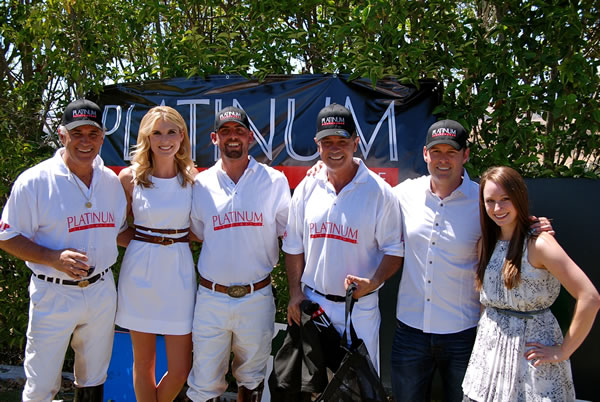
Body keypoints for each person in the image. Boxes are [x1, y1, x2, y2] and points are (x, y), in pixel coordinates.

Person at [391, 120, 554, 402]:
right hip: (410, 333)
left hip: (464, 335)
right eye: (436, 151)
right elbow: (365, 192)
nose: (443, 159)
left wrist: (536, 226)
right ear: (425, 154)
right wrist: (321, 170)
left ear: (465, 155)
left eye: (451, 152)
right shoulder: (403, 194)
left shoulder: (484, 200)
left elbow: (513, 225)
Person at [0, 99, 127, 401]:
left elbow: (119, 232)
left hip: (100, 290)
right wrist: (52, 258)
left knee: (94, 379)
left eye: (93, 134)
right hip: (53, 293)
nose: (85, 141)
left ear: (102, 136)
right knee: (42, 384)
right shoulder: (35, 181)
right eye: (77, 133)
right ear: (62, 135)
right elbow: (6, 237)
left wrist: (167, 241)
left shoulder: (110, 181)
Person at [461, 166, 600, 401]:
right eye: (490, 200)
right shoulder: (485, 244)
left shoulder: (540, 244)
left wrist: (563, 351)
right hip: (488, 360)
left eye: (505, 199)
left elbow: (590, 297)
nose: (498, 208)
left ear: (519, 197)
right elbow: (487, 303)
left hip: (532, 358)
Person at [284, 103, 404, 372]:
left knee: (359, 388)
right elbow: (293, 245)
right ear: (318, 146)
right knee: (314, 388)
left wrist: (372, 282)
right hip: (314, 305)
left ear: (355, 142)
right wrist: (294, 293)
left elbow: (394, 250)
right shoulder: (306, 188)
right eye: (328, 142)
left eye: (342, 141)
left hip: (358, 309)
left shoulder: (380, 192)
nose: (335, 149)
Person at [187, 106, 291, 402]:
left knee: (252, 378)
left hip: (256, 296)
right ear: (214, 138)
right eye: (225, 131)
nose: (233, 137)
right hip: (211, 298)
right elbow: (196, 233)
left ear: (250, 138)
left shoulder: (274, 181)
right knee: (204, 383)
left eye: (239, 131)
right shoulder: (201, 184)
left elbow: (289, 235)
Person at [115, 106, 197, 401]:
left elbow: (201, 229)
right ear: (146, 137)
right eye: (157, 133)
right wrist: (144, 244)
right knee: (144, 362)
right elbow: (117, 229)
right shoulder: (129, 178)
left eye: (171, 132)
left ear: (182, 135)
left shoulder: (193, 179)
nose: (165, 139)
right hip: (140, 274)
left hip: (179, 273)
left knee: (180, 369)